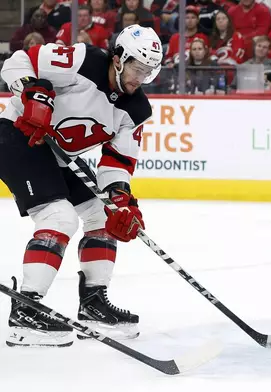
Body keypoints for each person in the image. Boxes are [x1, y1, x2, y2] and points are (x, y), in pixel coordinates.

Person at [0, 24, 162, 347]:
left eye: (147, 73)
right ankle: (27, 309)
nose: (138, 79)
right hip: (16, 134)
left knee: (104, 214)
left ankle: (93, 305)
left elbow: (117, 163)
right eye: (135, 68)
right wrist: (31, 93)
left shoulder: (136, 110)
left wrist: (121, 199)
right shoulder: (82, 61)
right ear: (119, 58)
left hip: (56, 154)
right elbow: (16, 63)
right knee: (59, 217)